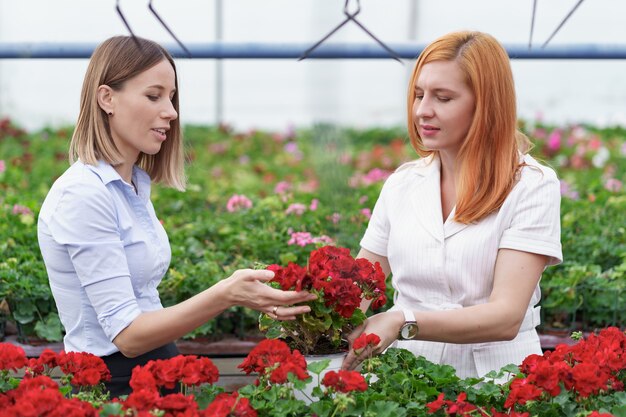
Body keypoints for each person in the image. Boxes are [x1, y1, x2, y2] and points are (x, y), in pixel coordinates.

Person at [37, 36, 315, 397]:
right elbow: (128, 336)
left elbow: (144, 307)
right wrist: (227, 294)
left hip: (156, 374)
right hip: (113, 387)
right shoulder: (83, 195)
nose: (171, 111)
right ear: (107, 98)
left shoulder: (131, 183)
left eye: (171, 97)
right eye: (154, 96)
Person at [342, 31, 562, 379]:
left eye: (443, 98)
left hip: (497, 378)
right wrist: (304, 308)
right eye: (418, 95)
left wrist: (403, 320)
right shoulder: (403, 184)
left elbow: (505, 316)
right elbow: (357, 292)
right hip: (407, 378)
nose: (422, 110)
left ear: (486, 104)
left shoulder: (530, 185)